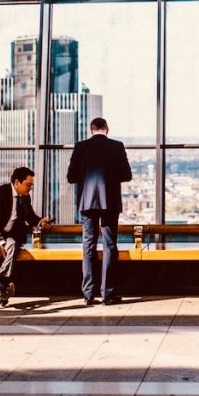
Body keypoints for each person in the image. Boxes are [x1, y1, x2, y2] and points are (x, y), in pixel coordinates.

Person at [66, 117, 132, 306]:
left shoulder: (80, 147)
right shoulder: (117, 146)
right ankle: (108, 293)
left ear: (91, 130)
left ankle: (88, 294)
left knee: (88, 245)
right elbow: (126, 175)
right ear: (107, 129)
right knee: (110, 245)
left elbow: (71, 177)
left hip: (87, 201)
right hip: (109, 201)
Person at [0, 167, 53, 306]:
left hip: (5, 234)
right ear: (17, 182)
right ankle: (0, 288)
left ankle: (0, 285)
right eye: (28, 185)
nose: (30, 188)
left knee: (13, 244)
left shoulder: (25, 197)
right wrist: (0, 242)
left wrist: (40, 221)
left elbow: (29, 216)